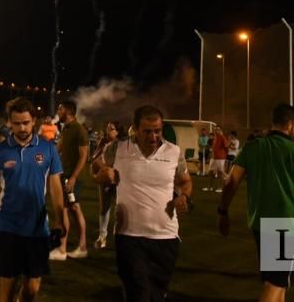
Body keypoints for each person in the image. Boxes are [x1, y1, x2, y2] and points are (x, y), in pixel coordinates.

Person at [219, 103, 294, 302]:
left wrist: (223, 212)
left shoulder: (253, 147)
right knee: (277, 283)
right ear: (290, 124)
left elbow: (231, 183)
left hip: (259, 223)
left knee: (273, 279)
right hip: (286, 224)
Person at [92, 105, 192, 302]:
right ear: (135, 129)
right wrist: (102, 175)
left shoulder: (174, 152)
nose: (153, 136)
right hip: (129, 237)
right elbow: (95, 167)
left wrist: (184, 197)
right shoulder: (118, 148)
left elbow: (186, 181)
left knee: (156, 295)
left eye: (157, 131)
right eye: (147, 131)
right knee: (139, 294)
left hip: (166, 237)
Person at [0, 97, 67, 301]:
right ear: (9, 122)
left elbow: (55, 186)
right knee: (7, 289)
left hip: (37, 229)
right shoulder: (0, 152)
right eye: (16, 123)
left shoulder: (48, 149)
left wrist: (60, 218)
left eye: (26, 122)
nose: (21, 127)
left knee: (31, 289)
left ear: (34, 121)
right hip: (7, 226)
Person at [51, 100, 88, 260]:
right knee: (73, 210)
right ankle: (81, 247)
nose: (57, 111)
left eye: (60, 108)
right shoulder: (66, 129)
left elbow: (83, 156)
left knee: (66, 209)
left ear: (68, 111)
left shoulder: (79, 129)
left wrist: (73, 178)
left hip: (72, 178)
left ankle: (62, 249)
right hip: (64, 175)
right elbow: (57, 148)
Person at [90, 120, 125, 249]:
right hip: (105, 178)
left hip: (121, 180)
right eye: (108, 128)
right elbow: (94, 159)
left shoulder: (124, 144)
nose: (108, 130)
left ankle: (120, 235)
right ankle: (102, 236)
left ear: (118, 131)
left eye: (111, 128)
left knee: (120, 208)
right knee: (104, 207)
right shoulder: (104, 142)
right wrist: (104, 168)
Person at [207, 126, 228, 192]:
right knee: (210, 172)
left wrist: (224, 155)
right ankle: (210, 187)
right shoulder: (215, 137)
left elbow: (226, 146)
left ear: (220, 130)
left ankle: (220, 188)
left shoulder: (222, 137)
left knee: (220, 173)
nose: (216, 131)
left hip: (220, 158)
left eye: (218, 129)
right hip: (214, 158)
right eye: (215, 129)